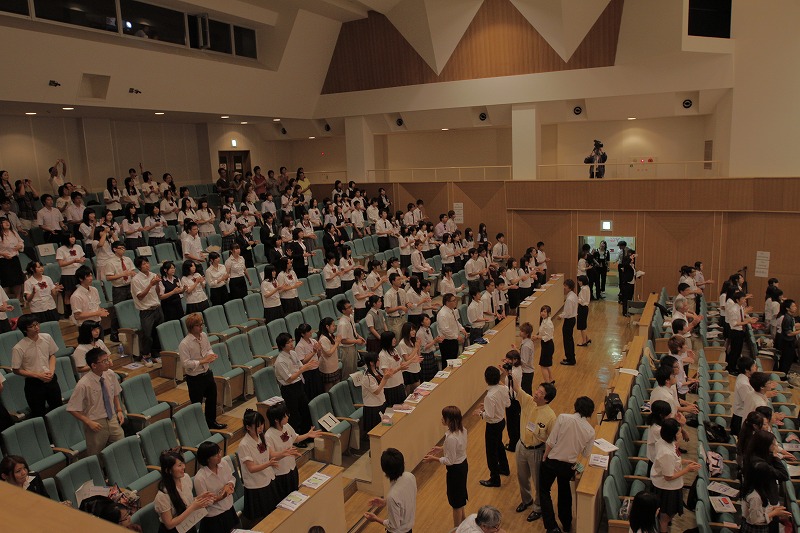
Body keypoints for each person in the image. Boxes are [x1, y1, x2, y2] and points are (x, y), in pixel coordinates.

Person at [540, 396, 596, 533]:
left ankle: (551, 526)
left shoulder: (563, 418)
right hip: (568, 465)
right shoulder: (590, 431)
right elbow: (586, 454)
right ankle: (566, 523)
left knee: (544, 491)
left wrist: (545, 455)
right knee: (565, 493)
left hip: (552, 461)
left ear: (576, 406)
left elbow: (551, 441)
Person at [511, 378, 557, 523]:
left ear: (547, 399)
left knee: (538, 482)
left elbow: (552, 439)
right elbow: (517, 388)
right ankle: (526, 500)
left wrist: (546, 455)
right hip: (521, 446)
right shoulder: (529, 401)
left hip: (537, 451)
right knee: (522, 477)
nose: (536, 393)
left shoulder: (550, 416)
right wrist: (509, 374)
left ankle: (538, 508)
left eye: (541, 393)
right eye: (538, 389)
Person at [66, 347, 125, 456]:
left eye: (107, 359)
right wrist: (88, 422)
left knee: (122, 447)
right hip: (96, 422)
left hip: (112, 418)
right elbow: (71, 409)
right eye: (104, 361)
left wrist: (119, 410)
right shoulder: (83, 384)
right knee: (96, 455)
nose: (108, 363)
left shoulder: (110, 374)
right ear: (94, 365)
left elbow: (115, 393)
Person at [178, 313, 227, 429]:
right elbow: (185, 364)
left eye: (202, 324)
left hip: (207, 373)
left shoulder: (204, 335)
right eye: (198, 325)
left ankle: (211, 422)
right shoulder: (184, 344)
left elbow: (208, 349)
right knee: (196, 404)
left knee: (212, 398)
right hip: (195, 378)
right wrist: (202, 361)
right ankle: (197, 426)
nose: (201, 327)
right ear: (191, 327)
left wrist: (211, 355)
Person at [650, 418, 699, 532]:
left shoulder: (665, 442)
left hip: (670, 485)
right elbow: (668, 477)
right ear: (672, 435)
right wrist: (687, 469)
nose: (681, 434)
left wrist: (684, 462)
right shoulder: (666, 453)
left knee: (668, 515)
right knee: (665, 518)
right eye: (678, 432)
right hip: (666, 488)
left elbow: (673, 461)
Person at [265, 402, 322, 501]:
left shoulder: (286, 426)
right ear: (276, 420)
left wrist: (308, 435)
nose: (287, 417)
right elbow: (271, 455)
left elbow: (295, 438)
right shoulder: (269, 435)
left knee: (294, 493)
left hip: (291, 467)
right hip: (280, 473)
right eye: (284, 415)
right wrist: (284, 453)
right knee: (284, 499)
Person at [423, 406, 468, 528]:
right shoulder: (462, 430)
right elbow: (458, 448)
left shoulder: (451, 438)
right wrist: (442, 448)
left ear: (450, 420)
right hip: (463, 465)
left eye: (444, 417)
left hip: (455, 471)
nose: (442, 419)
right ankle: (463, 522)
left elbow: (450, 461)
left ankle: (457, 529)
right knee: (460, 498)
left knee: (456, 503)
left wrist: (433, 459)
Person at [11, 315, 62, 418]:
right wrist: (38, 375)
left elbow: (52, 355)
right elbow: (16, 370)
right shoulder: (18, 348)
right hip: (34, 383)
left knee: (58, 409)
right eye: (32, 326)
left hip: (50, 378)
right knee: (39, 413)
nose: (36, 327)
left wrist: (52, 370)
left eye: (37, 324)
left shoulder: (47, 337)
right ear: (24, 330)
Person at [273, 333, 317, 446]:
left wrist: (307, 366)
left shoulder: (293, 353)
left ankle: (307, 435)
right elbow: (289, 379)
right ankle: (297, 439)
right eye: (288, 342)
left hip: (298, 385)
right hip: (289, 389)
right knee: (294, 414)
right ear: (282, 345)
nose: (291, 344)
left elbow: (300, 366)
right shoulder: (280, 361)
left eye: (291, 341)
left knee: (305, 410)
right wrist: (303, 369)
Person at [155, 450, 214, 533]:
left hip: (187, 525)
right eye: (179, 465)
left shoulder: (185, 478)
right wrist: (192, 507)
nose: (183, 467)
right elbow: (169, 525)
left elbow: (186, 503)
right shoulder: (162, 495)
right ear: (168, 470)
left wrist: (199, 498)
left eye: (182, 463)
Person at [238, 409, 280, 527]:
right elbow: (251, 468)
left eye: (262, 424)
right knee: (261, 518)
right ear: (248, 427)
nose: (261, 427)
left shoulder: (261, 436)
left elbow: (268, 454)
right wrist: (268, 464)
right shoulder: (244, 445)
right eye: (257, 426)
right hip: (256, 485)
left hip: (268, 478)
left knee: (272, 512)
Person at [364, 448, 416, 533]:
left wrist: (375, 518)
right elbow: (405, 501)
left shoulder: (392, 496)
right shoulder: (410, 477)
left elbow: (393, 526)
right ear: (403, 463)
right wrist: (385, 502)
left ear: (384, 470)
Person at [475, 366, 511, 488]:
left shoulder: (489, 396)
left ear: (486, 379)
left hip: (493, 426)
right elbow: (507, 404)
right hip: (501, 422)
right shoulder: (503, 389)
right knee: (499, 445)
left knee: (491, 453)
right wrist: (487, 406)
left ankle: (495, 479)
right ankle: (504, 468)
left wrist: (480, 413)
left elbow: (489, 415)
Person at [193, 441, 240, 533]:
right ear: (207, 459)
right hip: (214, 518)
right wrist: (222, 496)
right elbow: (204, 502)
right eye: (215, 455)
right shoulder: (200, 478)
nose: (219, 455)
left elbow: (232, 478)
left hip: (229, 509)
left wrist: (229, 485)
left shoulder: (224, 463)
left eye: (219, 452)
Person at [131, 256, 163, 365]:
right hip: (146, 311)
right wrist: (150, 284)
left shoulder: (153, 275)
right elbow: (140, 296)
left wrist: (157, 283)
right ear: (139, 267)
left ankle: (156, 354)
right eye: (144, 264)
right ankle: (145, 355)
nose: (147, 265)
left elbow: (158, 293)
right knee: (147, 335)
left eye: (147, 263)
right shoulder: (136, 280)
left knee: (157, 333)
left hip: (157, 308)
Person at [361, 351, 398, 432]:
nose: (379, 361)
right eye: (377, 359)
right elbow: (377, 391)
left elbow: (383, 380)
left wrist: (395, 370)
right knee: (375, 430)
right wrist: (385, 378)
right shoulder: (367, 377)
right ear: (371, 363)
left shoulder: (376, 372)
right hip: (372, 407)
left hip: (381, 402)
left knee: (383, 428)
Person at [336, 299, 366, 377]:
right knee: (348, 371)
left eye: (350, 306)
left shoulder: (351, 317)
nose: (351, 308)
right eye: (348, 307)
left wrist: (359, 337)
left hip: (353, 346)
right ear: (343, 311)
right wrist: (356, 341)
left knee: (354, 368)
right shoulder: (342, 324)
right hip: (346, 349)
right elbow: (343, 340)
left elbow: (353, 331)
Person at [437, 293, 466, 367]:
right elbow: (445, 330)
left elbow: (456, 321)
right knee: (448, 362)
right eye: (453, 300)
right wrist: (456, 336)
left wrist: (462, 329)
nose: (455, 302)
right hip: (447, 342)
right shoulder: (443, 314)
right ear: (447, 302)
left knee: (454, 359)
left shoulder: (452, 310)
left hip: (453, 339)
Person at [559, 279, 578, 365]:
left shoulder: (569, 299)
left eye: (565, 286)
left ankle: (570, 359)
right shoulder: (573, 295)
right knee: (569, 339)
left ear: (569, 287)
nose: (564, 287)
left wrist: (561, 316)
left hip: (569, 320)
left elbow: (568, 312)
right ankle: (570, 357)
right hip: (572, 319)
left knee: (567, 340)